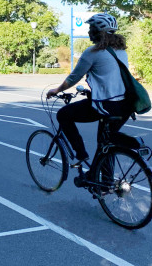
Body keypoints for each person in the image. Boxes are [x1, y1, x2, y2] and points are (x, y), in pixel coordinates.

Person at [46, 13, 131, 165]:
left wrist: (56, 90)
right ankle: (105, 184)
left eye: (91, 28)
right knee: (106, 144)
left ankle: (81, 154)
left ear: (98, 32)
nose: (88, 32)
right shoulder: (121, 51)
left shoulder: (92, 52)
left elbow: (74, 77)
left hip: (106, 105)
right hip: (125, 105)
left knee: (63, 115)